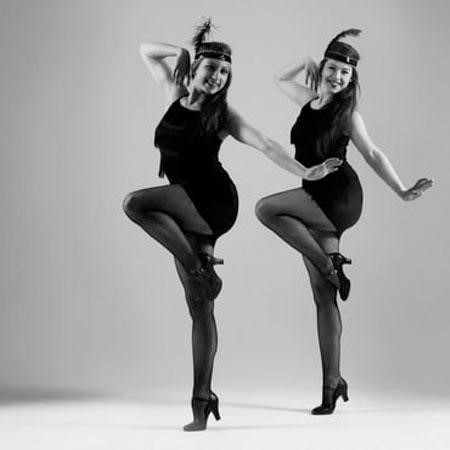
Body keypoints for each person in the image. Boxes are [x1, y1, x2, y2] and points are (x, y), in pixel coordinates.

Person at [122, 19, 341, 431]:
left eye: (225, 72)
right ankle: (202, 400)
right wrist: (179, 51)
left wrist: (306, 172)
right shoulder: (174, 93)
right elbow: (146, 50)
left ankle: (200, 267)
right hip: (182, 209)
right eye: (212, 68)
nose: (218, 77)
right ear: (195, 68)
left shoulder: (222, 115)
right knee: (199, 306)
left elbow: (265, 143)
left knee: (136, 203)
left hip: (212, 201)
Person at [255, 29, 433, 415]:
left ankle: (329, 265)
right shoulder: (308, 100)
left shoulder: (348, 114)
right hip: (314, 197)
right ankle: (332, 384)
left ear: (352, 80)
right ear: (322, 69)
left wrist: (402, 190)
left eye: (345, 73)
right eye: (332, 69)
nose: (338, 77)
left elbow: (373, 153)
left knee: (266, 209)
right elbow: (279, 78)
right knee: (324, 297)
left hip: (338, 196)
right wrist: (308, 62)